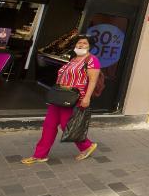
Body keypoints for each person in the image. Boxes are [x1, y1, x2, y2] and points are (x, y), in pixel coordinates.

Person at [22, 35, 100, 164]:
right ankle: (40, 155)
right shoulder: (73, 59)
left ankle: (87, 145)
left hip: (75, 98)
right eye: (78, 43)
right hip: (60, 96)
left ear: (90, 46)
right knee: (49, 125)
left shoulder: (92, 60)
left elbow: (92, 81)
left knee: (66, 125)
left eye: (84, 43)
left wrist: (87, 98)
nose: (80, 45)